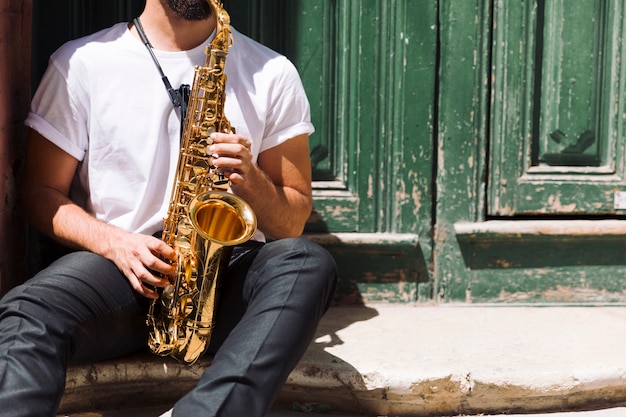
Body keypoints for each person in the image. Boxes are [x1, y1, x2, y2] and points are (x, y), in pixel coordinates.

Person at [0, 0, 337, 416]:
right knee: (26, 311)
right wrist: (116, 244)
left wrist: (251, 180)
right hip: (121, 271)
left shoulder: (272, 72)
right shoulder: (82, 63)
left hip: (223, 279)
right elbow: (40, 194)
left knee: (306, 263)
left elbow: (293, 220)